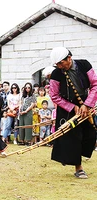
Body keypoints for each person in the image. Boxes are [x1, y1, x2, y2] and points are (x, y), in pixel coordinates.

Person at [49, 47, 97, 179]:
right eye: (57, 64)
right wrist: (71, 107)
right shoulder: (56, 73)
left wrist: (87, 104)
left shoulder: (84, 64)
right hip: (67, 108)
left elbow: (95, 85)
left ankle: (73, 156)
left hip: (86, 103)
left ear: (69, 58)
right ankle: (79, 168)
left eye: (61, 63)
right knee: (74, 138)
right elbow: (54, 95)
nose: (59, 66)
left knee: (90, 134)